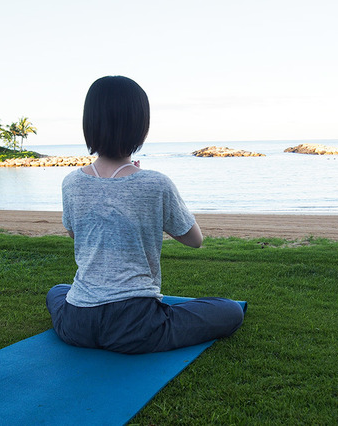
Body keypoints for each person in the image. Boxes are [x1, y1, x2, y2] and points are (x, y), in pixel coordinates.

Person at [46, 76, 244, 354]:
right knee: (230, 310)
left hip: (78, 323)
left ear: (89, 124)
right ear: (140, 126)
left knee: (57, 291)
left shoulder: (71, 182)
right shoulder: (155, 183)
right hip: (135, 325)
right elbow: (194, 240)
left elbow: (75, 233)